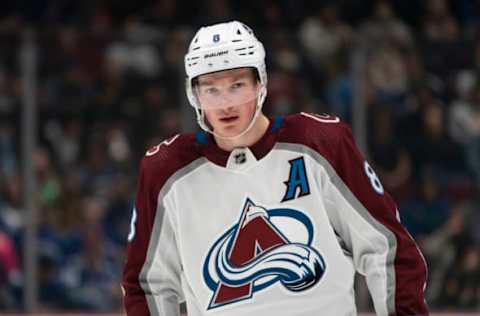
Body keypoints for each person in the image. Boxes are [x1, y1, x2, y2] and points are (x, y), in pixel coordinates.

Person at [122, 20, 429, 316]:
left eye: (237, 85)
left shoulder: (319, 144)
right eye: (211, 89)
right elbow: (148, 285)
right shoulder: (165, 171)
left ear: (260, 84)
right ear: (195, 95)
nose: (225, 103)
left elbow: (385, 248)